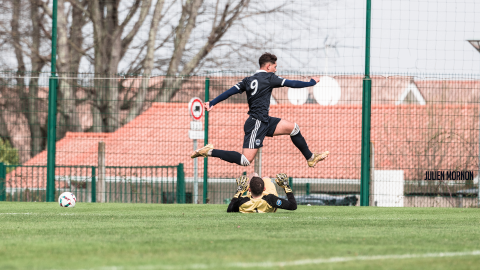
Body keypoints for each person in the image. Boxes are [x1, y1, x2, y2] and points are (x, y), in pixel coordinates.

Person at [191, 52, 329, 168]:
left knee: (294, 128)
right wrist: (311, 82)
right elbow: (291, 83)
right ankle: (210, 151)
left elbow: (229, 92)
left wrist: (213, 102)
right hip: (256, 122)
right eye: (275, 67)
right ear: (268, 66)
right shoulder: (269, 78)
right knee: (245, 161)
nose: (276, 70)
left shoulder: (248, 80)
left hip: (265, 120)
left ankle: (310, 158)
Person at [227, 173, 297, 213]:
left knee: (254, 175)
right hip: (267, 198)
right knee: (265, 177)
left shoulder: (242, 201)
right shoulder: (272, 199)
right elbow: (293, 205)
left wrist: (239, 191)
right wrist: (286, 187)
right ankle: (263, 180)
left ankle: (254, 181)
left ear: (249, 190)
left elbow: (230, 209)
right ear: (264, 189)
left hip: (250, 200)